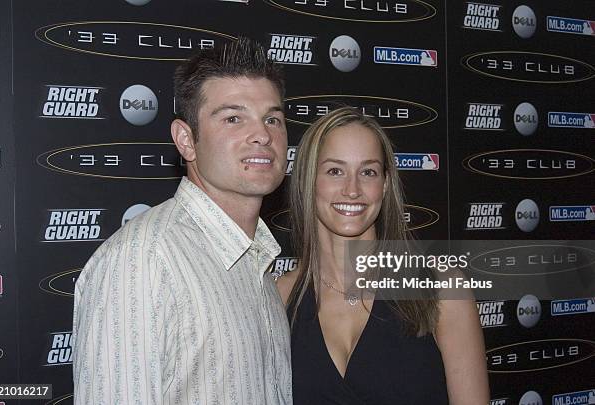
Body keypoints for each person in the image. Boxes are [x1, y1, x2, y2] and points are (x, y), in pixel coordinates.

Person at [73, 38, 292, 404]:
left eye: (272, 118)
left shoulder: (256, 262)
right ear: (186, 140)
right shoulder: (143, 262)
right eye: (233, 118)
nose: (263, 135)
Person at [277, 107, 489, 404]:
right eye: (335, 171)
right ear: (307, 181)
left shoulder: (442, 288)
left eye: (368, 172)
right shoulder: (279, 296)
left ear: (385, 184)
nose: (352, 190)